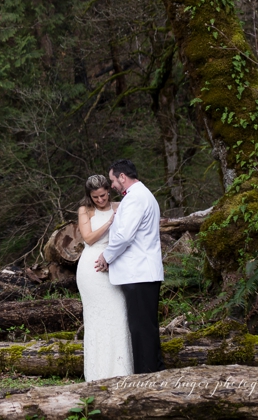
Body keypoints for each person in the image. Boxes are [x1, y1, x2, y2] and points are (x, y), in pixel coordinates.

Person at [94, 158, 163, 374]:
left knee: (142, 329)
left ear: (122, 177)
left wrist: (107, 256)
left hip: (139, 273)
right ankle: (149, 372)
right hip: (141, 273)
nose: (112, 185)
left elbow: (124, 236)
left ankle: (147, 375)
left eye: (113, 180)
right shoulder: (141, 196)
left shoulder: (135, 199)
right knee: (144, 328)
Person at [75, 174, 132, 380]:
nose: (100, 200)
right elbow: (88, 238)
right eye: (95, 197)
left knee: (119, 314)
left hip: (113, 263)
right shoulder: (85, 210)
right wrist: (109, 222)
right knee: (96, 319)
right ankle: (97, 374)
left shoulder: (120, 205)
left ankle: (120, 371)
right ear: (89, 196)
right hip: (91, 268)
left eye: (103, 195)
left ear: (109, 190)